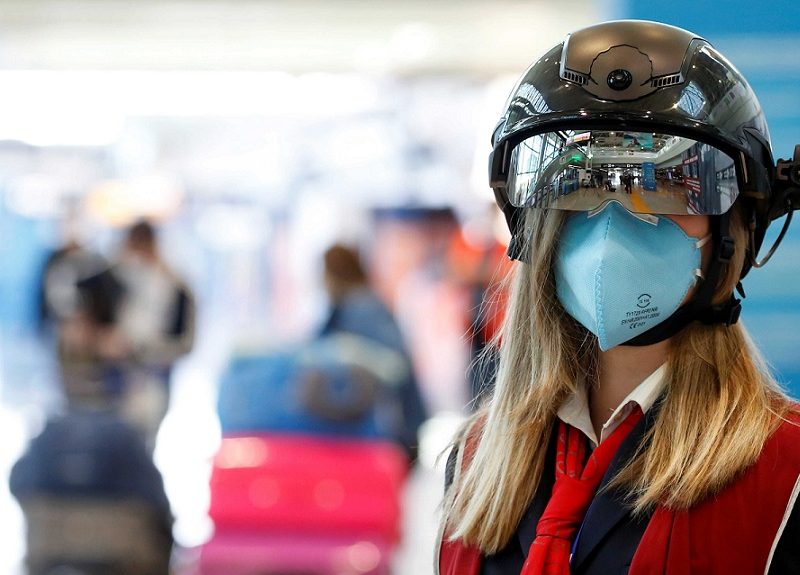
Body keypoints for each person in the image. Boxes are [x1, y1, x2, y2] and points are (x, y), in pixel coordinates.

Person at [439, 20, 800, 574]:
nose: (614, 222)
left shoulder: (787, 472)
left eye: (666, 184)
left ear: (735, 228)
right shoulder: (473, 460)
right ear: (537, 228)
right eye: (583, 186)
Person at [318, 243, 427, 460]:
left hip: (389, 432)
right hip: (376, 432)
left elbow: (395, 365)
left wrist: (349, 354)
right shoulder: (349, 307)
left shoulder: (363, 308)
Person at [109, 220, 195, 451]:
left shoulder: (174, 285)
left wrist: (153, 352)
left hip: (154, 376)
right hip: (114, 380)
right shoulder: (112, 280)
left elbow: (186, 341)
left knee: (145, 445)